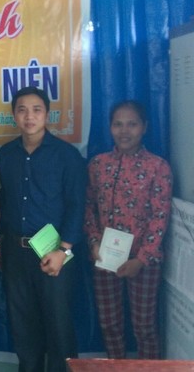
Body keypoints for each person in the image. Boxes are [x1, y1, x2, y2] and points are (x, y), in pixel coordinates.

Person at [0, 86, 86, 372]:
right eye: (22, 110)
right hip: (15, 253)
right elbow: (2, 202)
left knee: (59, 327)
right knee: (23, 328)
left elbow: (77, 205)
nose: (29, 116)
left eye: (36, 110)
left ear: (47, 114)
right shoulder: (6, 154)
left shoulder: (66, 155)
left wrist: (63, 250)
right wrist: (0, 245)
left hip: (54, 252)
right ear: (14, 115)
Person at [83, 100, 172, 359]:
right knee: (109, 325)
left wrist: (141, 260)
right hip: (104, 257)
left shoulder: (158, 167)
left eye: (132, 124)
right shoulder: (98, 165)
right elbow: (88, 208)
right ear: (110, 127)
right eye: (118, 124)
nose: (124, 131)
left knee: (144, 327)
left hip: (143, 261)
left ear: (144, 127)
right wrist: (94, 243)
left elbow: (160, 216)